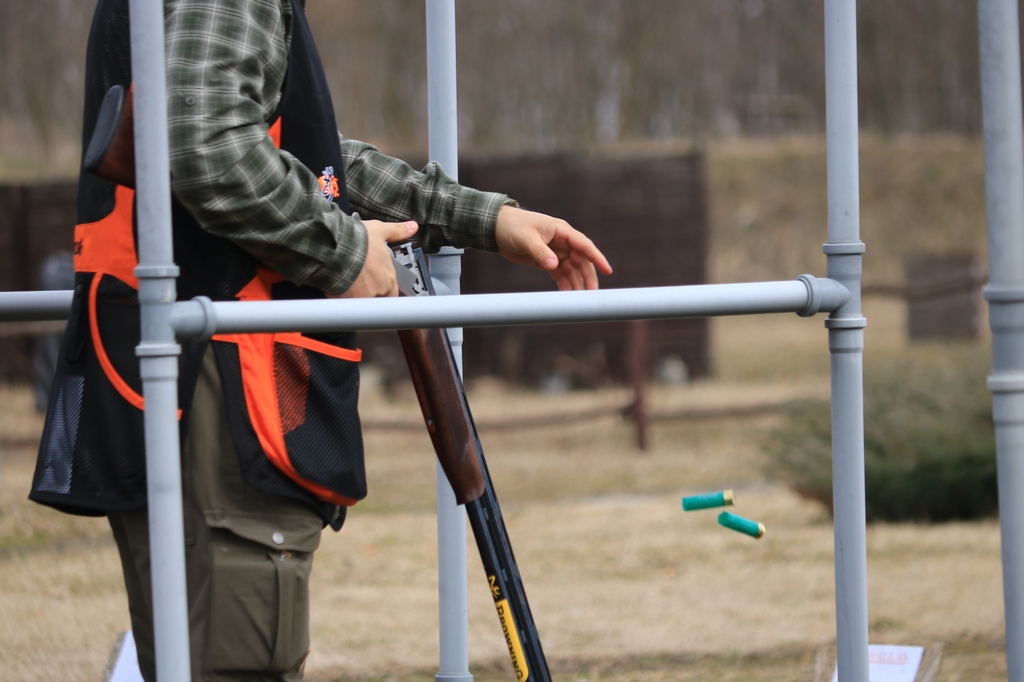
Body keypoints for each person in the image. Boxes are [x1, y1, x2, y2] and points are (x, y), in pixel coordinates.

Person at [29, 1, 612, 681]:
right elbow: (210, 146)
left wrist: (481, 217)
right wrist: (346, 254)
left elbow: (307, 161)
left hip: (190, 382)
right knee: (237, 666)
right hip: (221, 392)